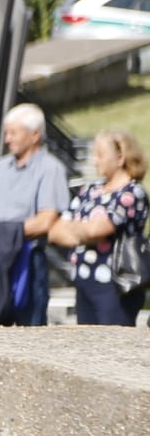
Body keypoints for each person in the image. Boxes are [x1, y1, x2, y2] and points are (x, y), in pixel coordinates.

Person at [0, 103, 70, 327]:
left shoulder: (50, 169)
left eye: (13, 133)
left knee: (29, 336)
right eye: (6, 133)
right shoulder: (0, 167)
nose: (7, 139)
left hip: (27, 262)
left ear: (34, 135)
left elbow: (47, 219)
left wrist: (4, 232)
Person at [48, 129, 147, 326]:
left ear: (120, 157)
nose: (95, 161)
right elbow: (54, 231)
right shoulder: (90, 190)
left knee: (113, 348)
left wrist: (74, 229)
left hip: (116, 287)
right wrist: (83, 232)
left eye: (100, 155)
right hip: (84, 282)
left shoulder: (132, 193)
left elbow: (97, 231)